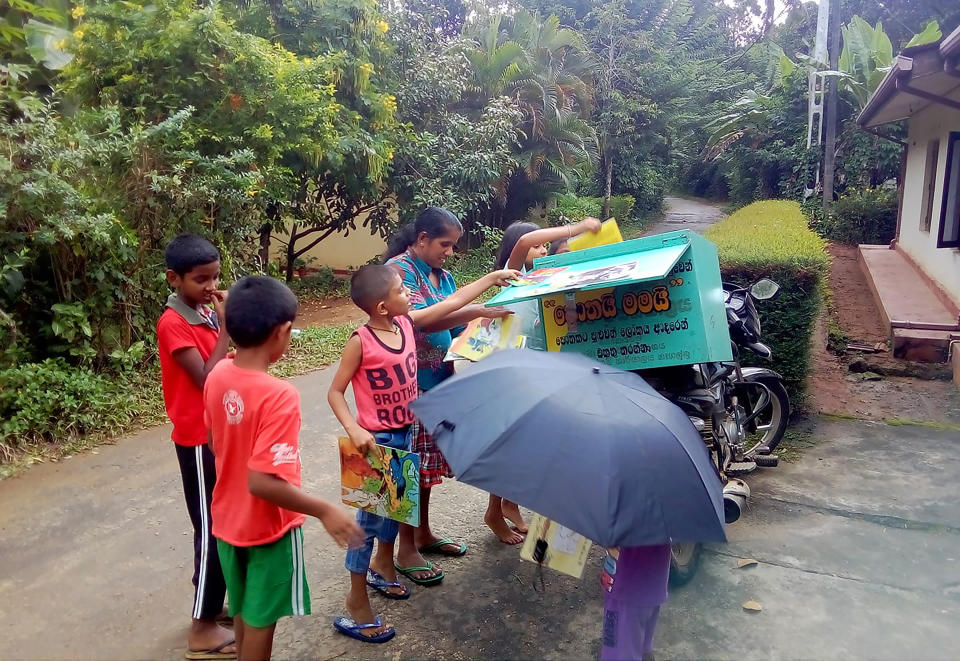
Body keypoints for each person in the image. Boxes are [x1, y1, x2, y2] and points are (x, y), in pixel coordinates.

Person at [327, 263, 519, 642]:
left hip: (407, 432)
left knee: (394, 514)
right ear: (382, 306)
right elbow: (335, 391)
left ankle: (383, 570)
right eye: (401, 290)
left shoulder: (405, 326)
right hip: (374, 443)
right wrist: (354, 427)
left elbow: (455, 301)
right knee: (366, 525)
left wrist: (492, 279)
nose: (409, 294)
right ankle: (356, 599)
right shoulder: (360, 341)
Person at [204, 276, 364, 661]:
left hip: (227, 521)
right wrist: (325, 509)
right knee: (262, 620)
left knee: (243, 608)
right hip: (268, 528)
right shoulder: (278, 395)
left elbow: (213, 443)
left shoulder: (218, 375)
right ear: (283, 332)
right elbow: (262, 481)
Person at [383, 207, 512, 583]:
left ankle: (421, 533)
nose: (449, 252)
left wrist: (479, 334)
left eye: (453, 246)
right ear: (422, 238)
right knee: (405, 467)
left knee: (425, 467)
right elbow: (419, 319)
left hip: (440, 381)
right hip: (408, 387)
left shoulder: (445, 276)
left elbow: (454, 323)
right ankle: (403, 549)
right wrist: (476, 301)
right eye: (445, 244)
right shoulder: (398, 273)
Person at [480, 218, 602, 544]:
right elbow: (524, 243)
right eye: (536, 245)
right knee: (512, 444)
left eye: (543, 246)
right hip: (510, 371)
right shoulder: (513, 276)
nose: (540, 249)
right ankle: (495, 510)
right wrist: (578, 228)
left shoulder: (547, 280)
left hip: (539, 371)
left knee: (529, 444)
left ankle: (509, 503)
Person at [157, 234, 235, 660]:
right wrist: (224, 328)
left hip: (218, 433)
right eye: (201, 279)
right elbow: (206, 378)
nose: (211, 286)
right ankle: (201, 627)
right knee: (210, 528)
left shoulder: (202, 313)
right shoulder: (174, 323)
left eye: (215, 277)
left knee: (219, 521)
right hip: (197, 439)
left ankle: (210, 604)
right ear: (174, 278)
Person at [599, 545, 672, 661]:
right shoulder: (662, 527)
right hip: (652, 588)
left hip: (625, 593)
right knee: (642, 645)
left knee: (619, 653)